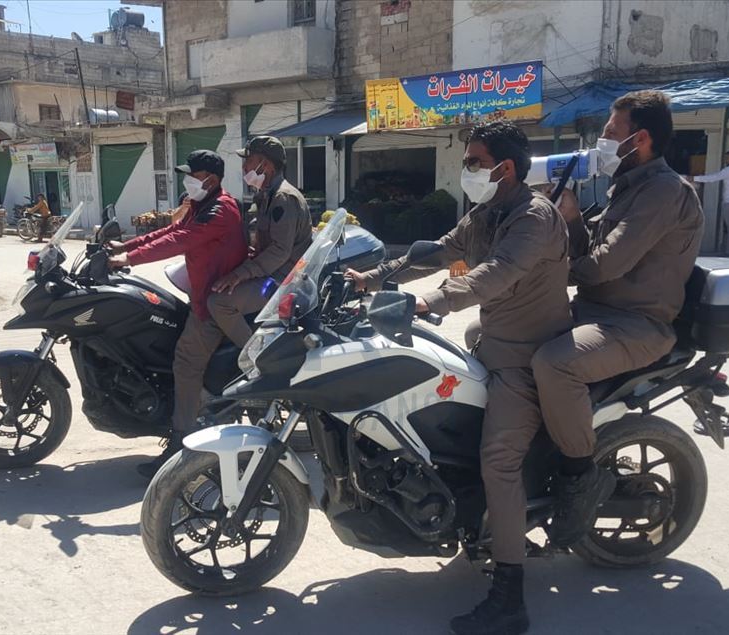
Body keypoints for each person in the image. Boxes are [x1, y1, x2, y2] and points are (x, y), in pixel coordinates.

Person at [347, 122, 571, 635]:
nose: (466, 169)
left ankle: (509, 599)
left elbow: (494, 274)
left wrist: (427, 302)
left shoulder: (533, 217)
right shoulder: (488, 212)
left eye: (473, 162)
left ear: (504, 168)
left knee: (499, 461)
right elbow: (437, 251)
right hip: (493, 342)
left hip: (525, 358)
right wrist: (371, 279)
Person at [532, 90, 704, 552]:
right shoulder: (627, 187)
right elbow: (589, 250)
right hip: (594, 313)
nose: (602, 142)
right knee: (488, 334)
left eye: (610, 132)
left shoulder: (665, 192)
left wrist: (544, 271)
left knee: (555, 364)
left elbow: (606, 264)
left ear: (640, 138)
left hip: (637, 325)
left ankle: (578, 478)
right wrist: (570, 218)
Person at [106, 150, 246, 478]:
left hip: (212, 304)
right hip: (200, 294)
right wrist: (126, 247)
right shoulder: (201, 205)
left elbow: (181, 240)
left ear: (210, 179)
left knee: (185, 363)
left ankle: (182, 440)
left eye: (192, 175)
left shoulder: (221, 209)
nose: (187, 181)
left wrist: (130, 259)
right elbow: (170, 232)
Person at [209, 135, 313, 348]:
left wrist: (239, 274)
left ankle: (254, 354)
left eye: (249, 160)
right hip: (272, 273)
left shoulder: (283, 198)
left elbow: (279, 251)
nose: (244, 167)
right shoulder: (267, 195)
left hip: (282, 280)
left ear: (265, 165)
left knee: (218, 302)